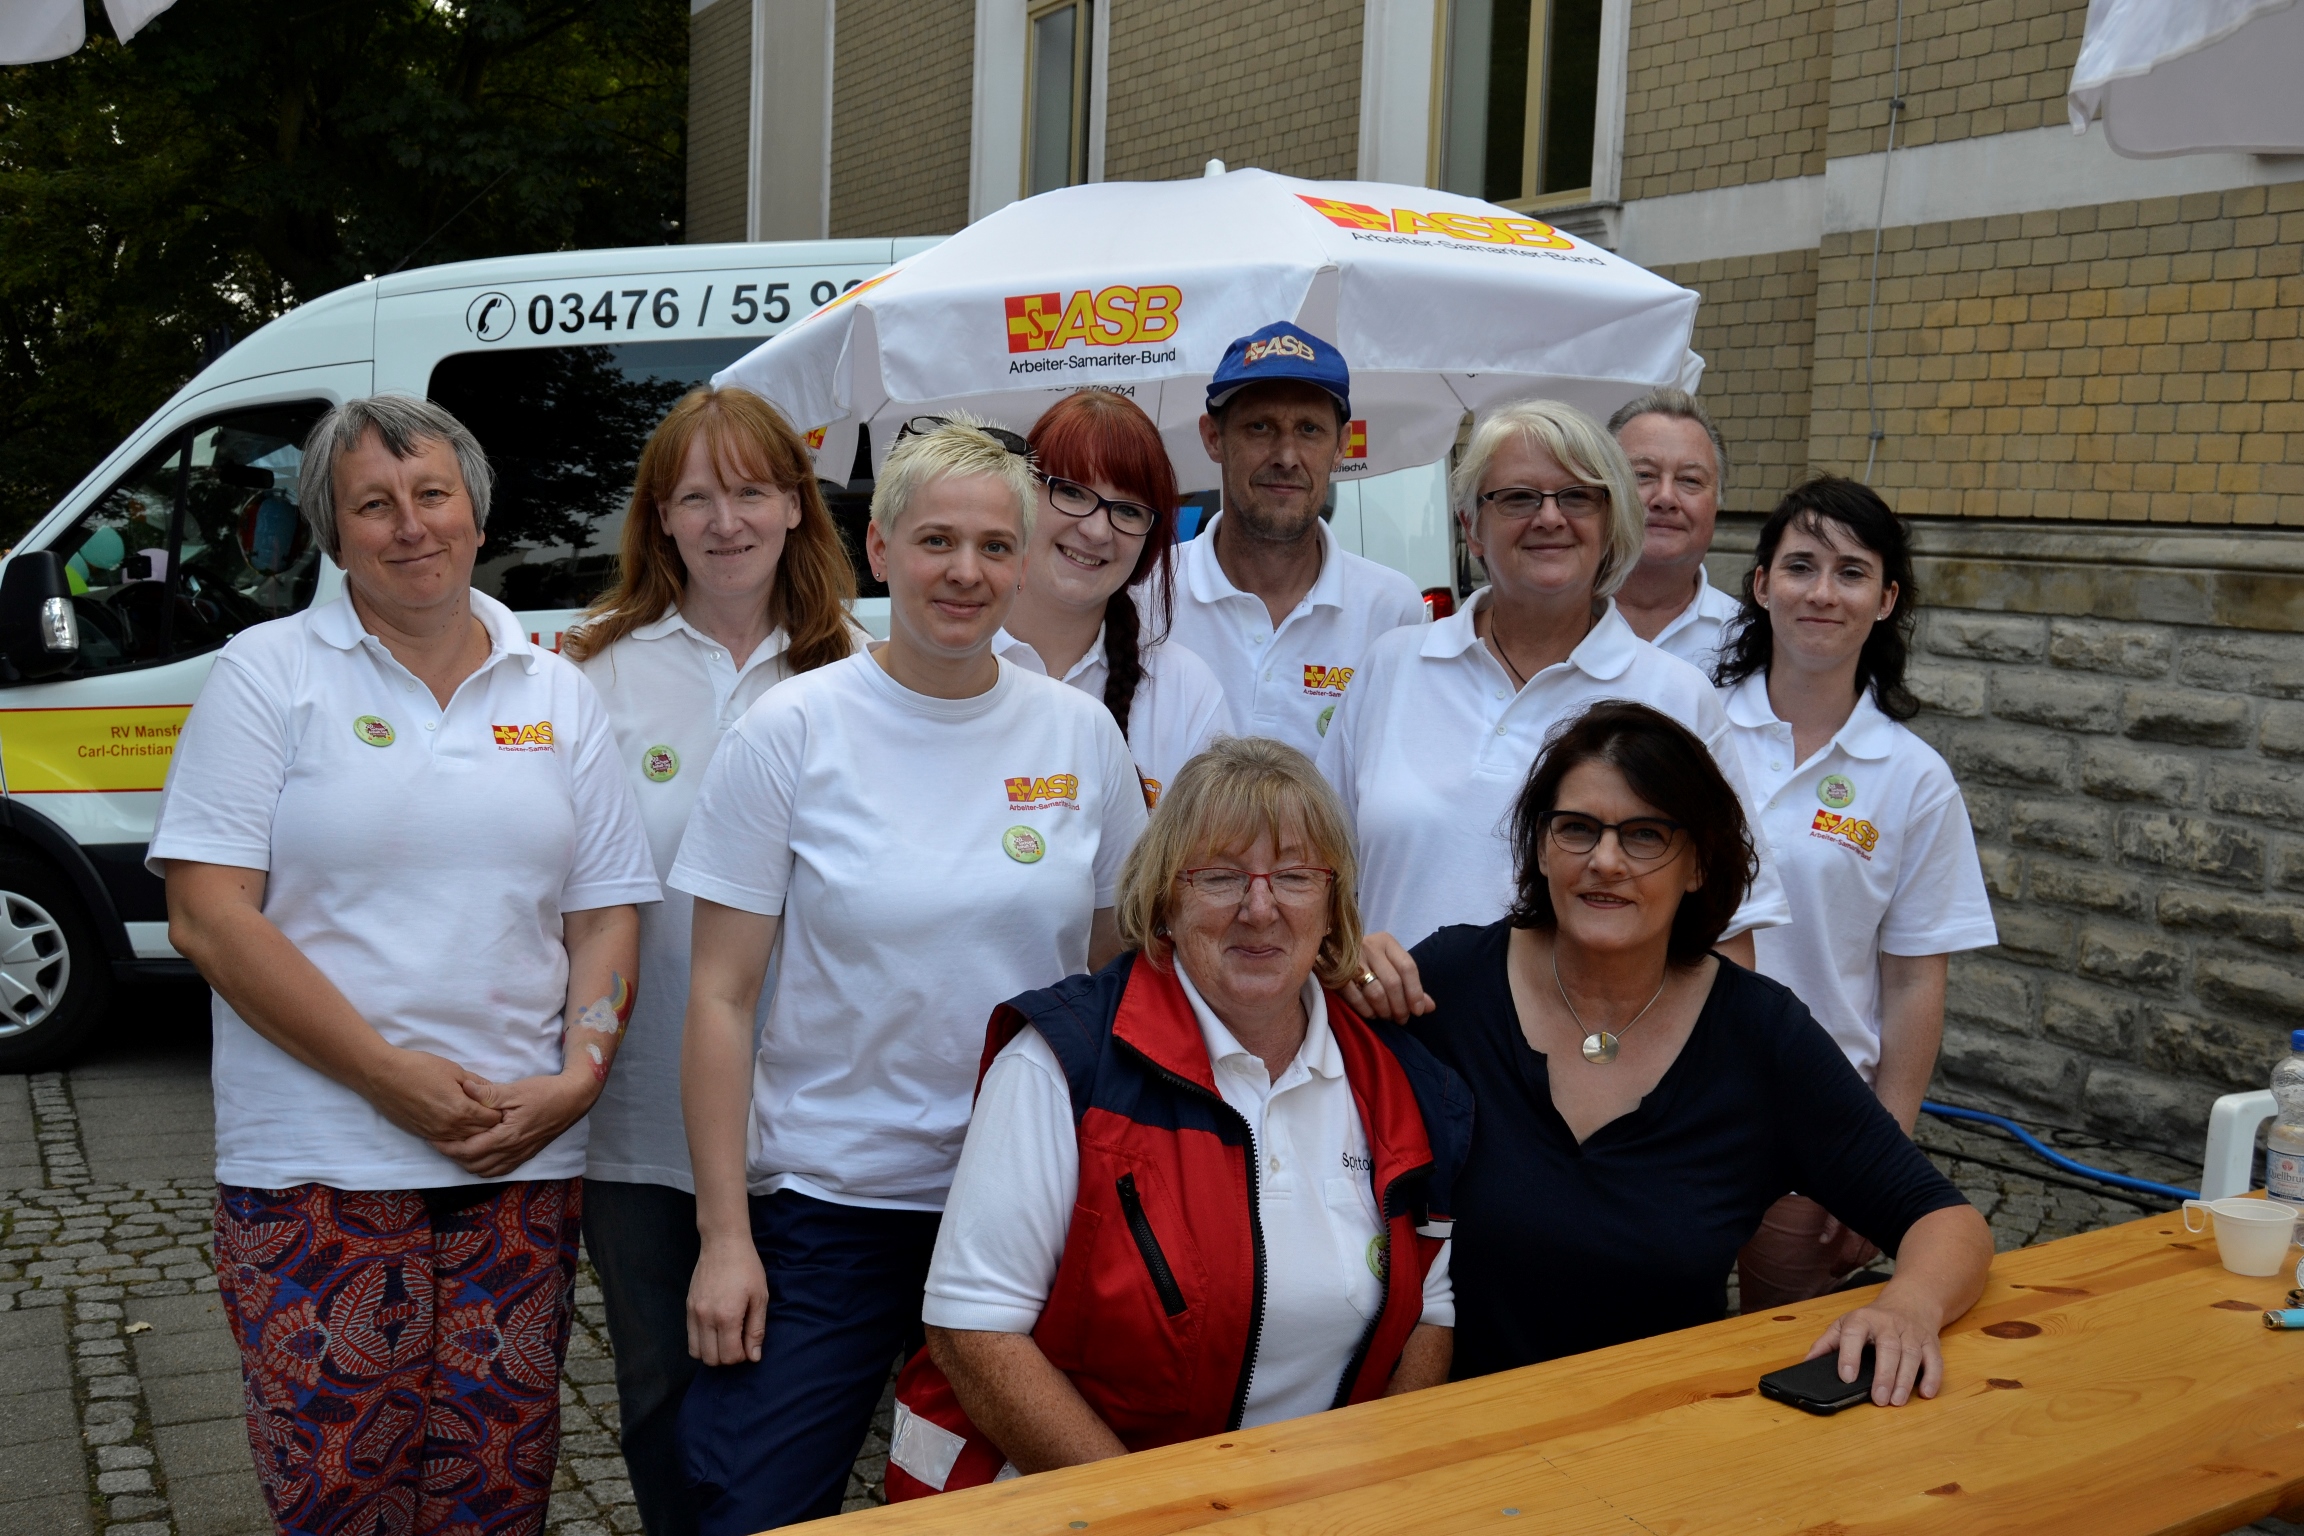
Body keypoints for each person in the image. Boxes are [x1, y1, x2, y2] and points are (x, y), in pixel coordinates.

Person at [152, 395, 659, 1534]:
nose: (410, 525)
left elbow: (606, 914)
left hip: (515, 1154)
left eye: (432, 494)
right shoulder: (265, 675)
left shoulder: (555, 689)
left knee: (496, 1487)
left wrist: (578, 1081)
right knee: (340, 1490)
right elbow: (209, 918)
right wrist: (385, 1074)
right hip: (319, 1160)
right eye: (372, 505)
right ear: (334, 535)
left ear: (476, 513)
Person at [668, 417, 1149, 1533]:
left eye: (993, 546)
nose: (965, 572)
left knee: (1017, 1510)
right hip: (830, 1204)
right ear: (879, 550)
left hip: (1023, 1207)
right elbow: (720, 997)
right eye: (936, 541)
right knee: (754, 1502)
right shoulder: (792, 730)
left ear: (1024, 564)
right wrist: (725, 1236)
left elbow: (1116, 979)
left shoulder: (1080, 738)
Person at [884, 736, 1468, 1498]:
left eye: (1294, 876)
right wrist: (1163, 1516)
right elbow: (974, 1330)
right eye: (1221, 876)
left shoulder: (1402, 1084)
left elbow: (1432, 1309)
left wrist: (1371, 1493)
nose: (1260, 908)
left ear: (1334, 906)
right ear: (1165, 899)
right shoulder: (1065, 1065)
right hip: (1066, 1504)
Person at [1398, 701, 1994, 1404]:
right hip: (1449, 1441)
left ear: (1699, 865)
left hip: (1665, 1450)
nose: (1606, 861)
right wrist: (1352, 971)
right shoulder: (1446, 987)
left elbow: (1944, 1219)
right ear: (1539, 847)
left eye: (1645, 835)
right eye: (1577, 830)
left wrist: (1906, 1308)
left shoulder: (1757, 1035)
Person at [562, 386, 864, 1536]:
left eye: (751, 490)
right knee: (660, 1393)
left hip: (810, 1119)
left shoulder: (864, 673)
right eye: (696, 496)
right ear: (661, 521)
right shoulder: (592, 676)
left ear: (797, 506)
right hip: (640, 1120)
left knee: (795, 1405)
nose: (725, 520)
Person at [1317, 398, 1787, 977]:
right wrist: (1348, 965)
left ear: (1612, 523)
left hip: (1593, 1057)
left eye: (1577, 496)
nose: (1549, 518)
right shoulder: (1392, 667)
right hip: (1390, 1049)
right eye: (1518, 497)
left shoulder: (1674, 695)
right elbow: (1315, 872)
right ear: (1472, 528)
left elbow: (1729, 929)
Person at [1714, 478, 1998, 1309]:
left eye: (1851, 572)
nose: (1822, 593)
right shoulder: (1688, 728)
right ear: (1763, 585)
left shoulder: (1913, 779)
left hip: (1815, 1115)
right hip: (1668, 1095)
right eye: (1801, 566)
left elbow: (1914, 978)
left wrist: (1883, 1150)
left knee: (1790, 1346)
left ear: (1886, 600)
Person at [1161, 322, 1427, 757]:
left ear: (1341, 444)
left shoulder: (1392, 609)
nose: (1286, 457)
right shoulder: (1148, 592)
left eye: (1308, 430)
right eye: (1260, 427)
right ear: (1214, 438)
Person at [994, 389, 1230, 806]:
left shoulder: (1183, 691)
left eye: (1127, 511)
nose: (1097, 531)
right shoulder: (949, 659)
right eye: (1072, 491)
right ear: (1021, 493)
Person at [1605, 388, 1741, 675]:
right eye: (1643, 475)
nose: (1665, 498)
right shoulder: (1552, 621)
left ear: (1718, 501)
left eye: (1690, 480)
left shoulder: (1749, 640)